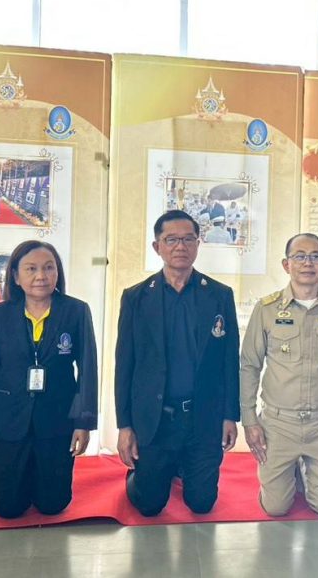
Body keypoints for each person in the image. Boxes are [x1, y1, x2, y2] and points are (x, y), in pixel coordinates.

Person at [115, 209, 240, 516]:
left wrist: (230, 416)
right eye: (171, 240)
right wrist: (125, 425)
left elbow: (229, 361)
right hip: (156, 419)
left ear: (198, 244)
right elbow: (124, 365)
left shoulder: (220, 295)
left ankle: (182, 467)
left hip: (203, 417)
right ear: (157, 246)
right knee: (149, 505)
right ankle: (146, 473)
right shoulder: (136, 297)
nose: (180, 246)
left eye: (188, 239)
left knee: (201, 504)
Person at [0, 240, 98, 518]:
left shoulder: (75, 311)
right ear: (16, 276)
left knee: (53, 505)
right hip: (8, 421)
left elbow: (87, 369)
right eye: (31, 269)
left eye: (49, 268)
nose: (41, 276)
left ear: (58, 272)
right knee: (6, 508)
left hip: (57, 419)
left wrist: (83, 423)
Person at [241, 233, 318, 516]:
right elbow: (249, 366)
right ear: (286, 264)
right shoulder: (267, 309)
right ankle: (290, 473)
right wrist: (249, 420)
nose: (308, 263)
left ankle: (306, 471)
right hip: (278, 424)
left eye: (315, 256)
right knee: (276, 508)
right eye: (300, 256)